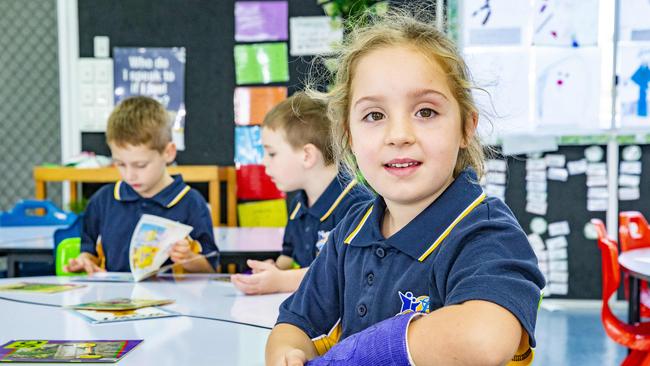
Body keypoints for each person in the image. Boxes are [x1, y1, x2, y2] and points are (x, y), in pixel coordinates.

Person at [266, 9, 545, 366]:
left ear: (466, 127)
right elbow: (294, 324)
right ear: (349, 136)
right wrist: (286, 354)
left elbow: (483, 339)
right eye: (374, 116)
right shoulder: (350, 231)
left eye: (425, 112)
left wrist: (361, 353)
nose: (399, 135)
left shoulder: (486, 232)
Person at [231, 92, 370, 295]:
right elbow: (288, 257)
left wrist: (281, 280)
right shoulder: (299, 204)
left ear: (307, 155)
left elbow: (346, 274)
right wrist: (272, 271)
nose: (264, 163)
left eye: (271, 153)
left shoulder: (357, 206)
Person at [65, 96, 218, 274]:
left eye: (141, 165)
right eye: (120, 164)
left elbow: (210, 270)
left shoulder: (191, 203)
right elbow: (89, 251)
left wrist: (189, 258)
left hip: (172, 300)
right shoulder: (103, 201)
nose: (129, 175)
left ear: (168, 153)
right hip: (115, 299)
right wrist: (84, 261)